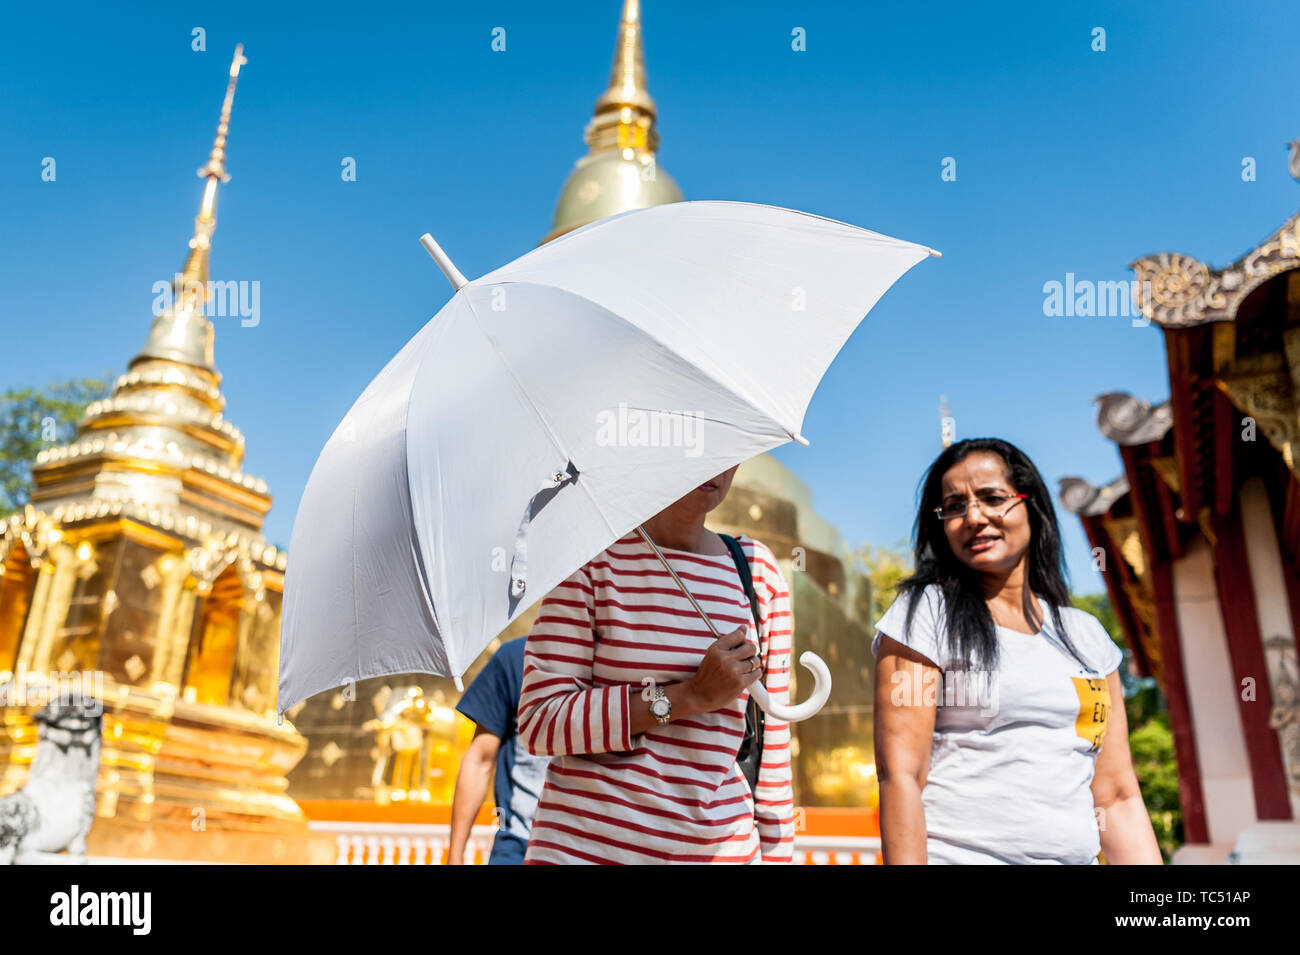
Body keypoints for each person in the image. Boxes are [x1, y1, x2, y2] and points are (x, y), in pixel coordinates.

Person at [873, 437, 1162, 865]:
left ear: (1032, 506)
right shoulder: (924, 615)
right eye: (954, 506)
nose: (974, 517)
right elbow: (901, 776)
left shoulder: (1087, 638)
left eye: (992, 498)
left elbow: (1117, 797)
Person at [516, 465, 795, 864]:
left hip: (723, 850)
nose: (718, 462)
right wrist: (689, 696)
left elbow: (774, 744)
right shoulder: (589, 557)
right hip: (584, 850)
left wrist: (778, 855)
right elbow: (541, 722)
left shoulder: (755, 570)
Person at [449, 636, 551, 864]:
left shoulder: (621, 664)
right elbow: (479, 759)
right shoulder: (516, 657)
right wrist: (455, 856)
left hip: (601, 848)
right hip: (519, 846)